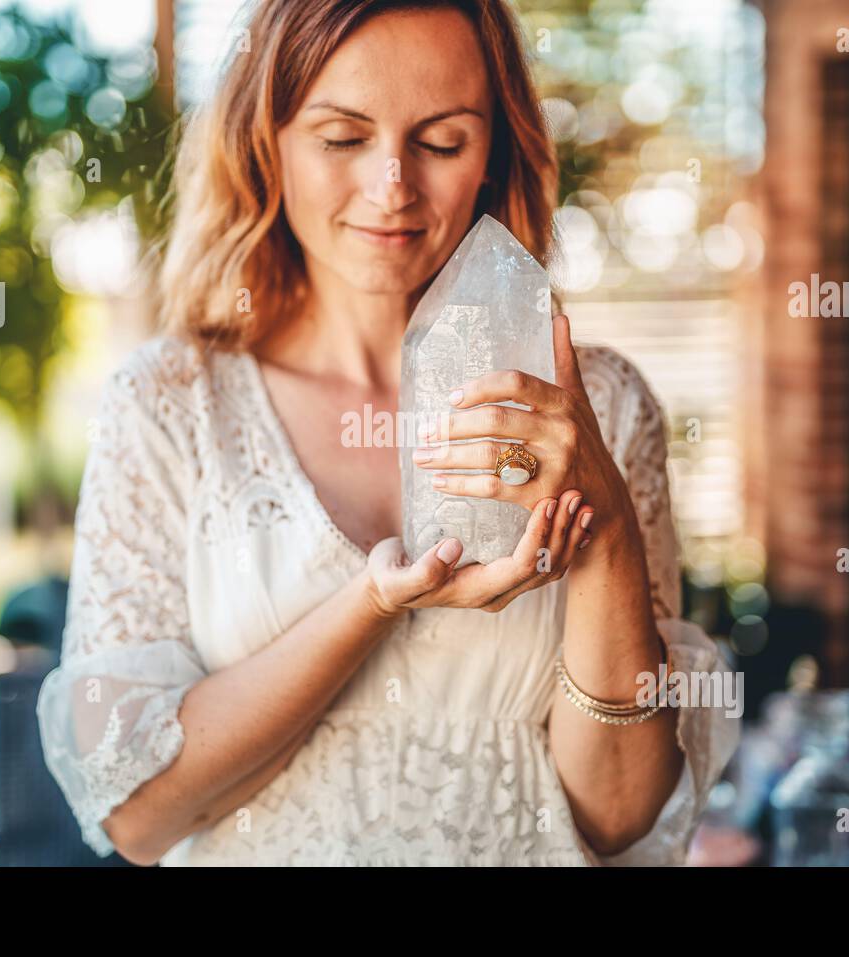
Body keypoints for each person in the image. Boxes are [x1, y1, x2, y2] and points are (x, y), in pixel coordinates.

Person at [36, 0, 741, 866]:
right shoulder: (171, 407)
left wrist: (602, 538)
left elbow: (619, 815)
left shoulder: (599, 405)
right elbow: (138, 818)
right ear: (269, 140)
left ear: (494, 151)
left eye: (442, 141)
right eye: (342, 138)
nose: (393, 185)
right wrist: (369, 604)